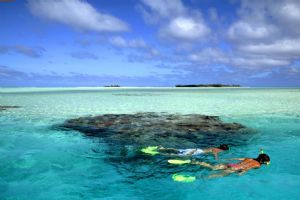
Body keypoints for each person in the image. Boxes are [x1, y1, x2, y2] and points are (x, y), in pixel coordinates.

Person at [192, 153, 270, 178]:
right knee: (213, 176)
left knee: (212, 167)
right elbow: (248, 167)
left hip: (231, 165)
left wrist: (228, 159)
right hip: (233, 170)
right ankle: (197, 178)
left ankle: (197, 162)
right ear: (262, 161)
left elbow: (238, 158)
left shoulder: (249, 158)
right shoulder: (257, 165)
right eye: (266, 162)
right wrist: (241, 173)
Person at [157, 144, 229, 159]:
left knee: (178, 150)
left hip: (195, 149)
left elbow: (211, 150)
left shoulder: (214, 147)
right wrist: (217, 159)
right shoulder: (217, 150)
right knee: (180, 155)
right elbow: (215, 154)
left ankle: (163, 148)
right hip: (196, 152)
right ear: (223, 149)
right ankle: (162, 154)